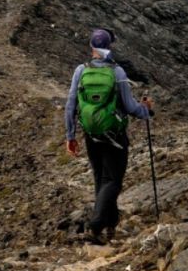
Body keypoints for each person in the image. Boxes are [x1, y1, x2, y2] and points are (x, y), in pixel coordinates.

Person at [64, 28, 153, 244]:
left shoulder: (80, 70)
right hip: (115, 134)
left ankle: (110, 224)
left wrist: (70, 136)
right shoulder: (118, 72)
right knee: (113, 180)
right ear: (109, 46)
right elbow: (131, 107)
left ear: (92, 47)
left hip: (91, 134)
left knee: (100, 179)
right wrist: (147, 110)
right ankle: (95, 225)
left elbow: (70, 105)